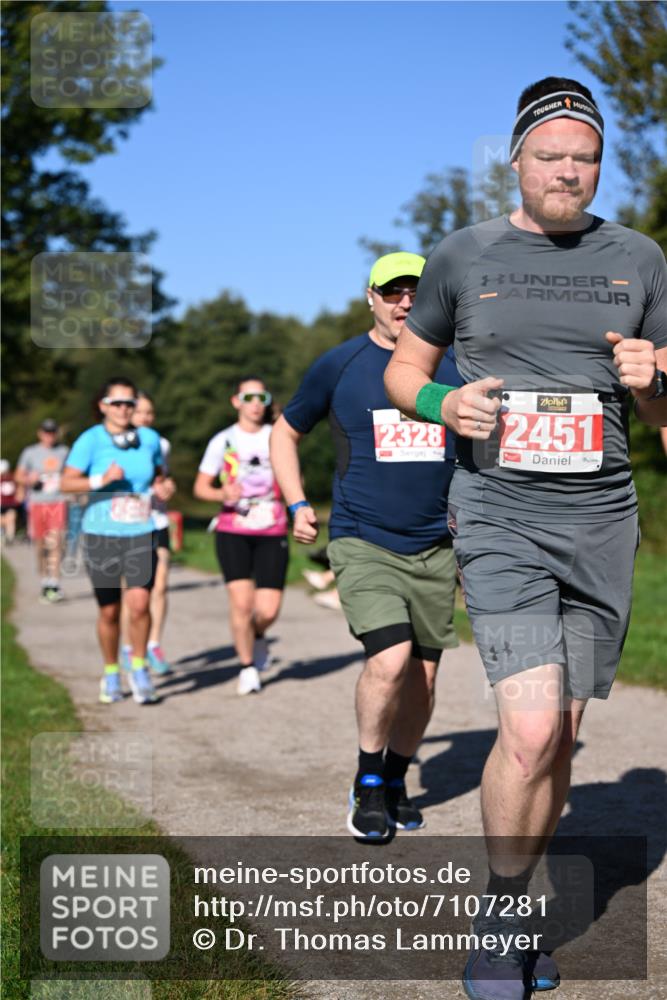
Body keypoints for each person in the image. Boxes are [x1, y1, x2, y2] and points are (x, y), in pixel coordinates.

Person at [384, 77, 667, 999]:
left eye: (585, 158)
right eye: (550, 156)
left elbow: (664, 414)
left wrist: (652, 382)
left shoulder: (641, 259)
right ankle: (502, 915)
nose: (567, 172)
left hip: (602, 522)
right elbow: (404, 369)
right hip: (500, 515)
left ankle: (513, 901)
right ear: (515, 159)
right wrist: (442, 403)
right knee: (533, 726)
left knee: (559, 737)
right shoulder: (463, 254)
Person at [270, 251, 462, 840]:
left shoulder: (456, 365)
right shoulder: (342, 364)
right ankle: (368, 782)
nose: (406, 302)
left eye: (417, 292)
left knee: (423, 679)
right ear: (371, 298)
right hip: (363, 539)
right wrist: (297, 503)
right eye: (393, 291)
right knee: (390, 659)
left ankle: (397, 778)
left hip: (437, 545)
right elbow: (285, 431)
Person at [61, 377, 175, 705]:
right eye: (117, 403)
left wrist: (165, 487)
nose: (124, 409)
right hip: (101, 534)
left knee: (139, 604)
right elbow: (66, 483)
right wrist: (101, 479)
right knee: (110, 611)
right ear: (103, 406)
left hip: (140, 531)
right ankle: (111, 672)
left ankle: (138, 668)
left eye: (129, 403)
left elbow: (159, 476)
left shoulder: (149, 439)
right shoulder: (90, 440)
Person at [194, 377, 289, 696]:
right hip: (233, 528)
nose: (256, 403)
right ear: (236, 402)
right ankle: (247, 667)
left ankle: (258, 635)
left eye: (262, 397)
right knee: (242, 603)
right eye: (249, 397)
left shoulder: (277, 436)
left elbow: (294, 476)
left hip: (272, 525)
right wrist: (222, 493)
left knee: (268, 610)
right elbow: (200, 487)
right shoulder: (223, 440)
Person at [120, 391, 175, 675]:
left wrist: (168, 487)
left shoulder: (160, 443)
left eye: (150, 413)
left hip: (157, 520)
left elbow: (163, 477)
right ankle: (129, 646)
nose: (145, 417)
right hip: (128, 523)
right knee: (132, 591)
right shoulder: (114, 442)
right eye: (140, 412)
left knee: (161, 584)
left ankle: (153, 643)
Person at [16, 419, 69, 602]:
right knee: (41, 545)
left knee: (56, 542)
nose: (49, 436)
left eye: (52, 432)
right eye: (46, 432)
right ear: (40, 433)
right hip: (38, 503)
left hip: (58, 502)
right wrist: (28, 480)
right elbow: (18, 475)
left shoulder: (64, 452)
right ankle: (45, 582)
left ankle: (54, 583)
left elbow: (72, 474)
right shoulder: (30, 452)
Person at [0, 459, 23, 544]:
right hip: (1, 504)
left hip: (10, 504)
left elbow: (19, 489)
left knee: (11, 519)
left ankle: (9, 538)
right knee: (5, 520)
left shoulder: (12, 478)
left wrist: (19, 497)